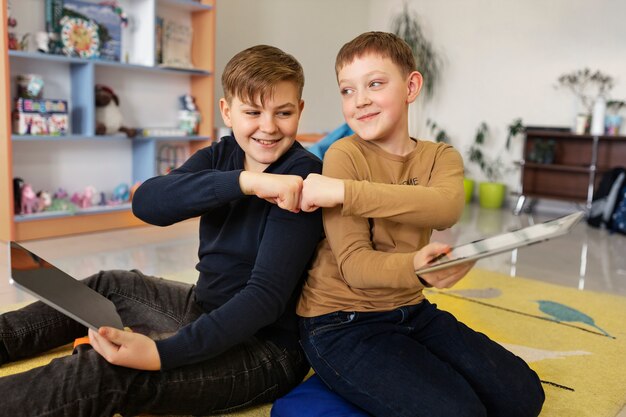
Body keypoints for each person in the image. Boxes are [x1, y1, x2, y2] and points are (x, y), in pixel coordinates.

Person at [0, 44, 323, 416]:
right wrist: (245, 182)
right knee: (109, 285)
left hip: (264, 351)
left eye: (283, 113)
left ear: (299, 110)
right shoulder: (222, 156)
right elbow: (148, 202)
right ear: (227, 111)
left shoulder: (302, 178)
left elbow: (264, 299)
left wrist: (160, 353)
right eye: (252, 112)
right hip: (203, 307)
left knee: (107, 372)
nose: (268, 127)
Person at [292, 32, 545, 417]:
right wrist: (416, 269)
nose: (359, 100)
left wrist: (345, 192)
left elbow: (445, 208)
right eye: (347, 90)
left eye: (374, 84)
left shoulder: (439, 156)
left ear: (411, 86)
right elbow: (356, 267)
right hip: (339, 322)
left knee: (524, 396)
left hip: (411, 310)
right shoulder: (344, 154)